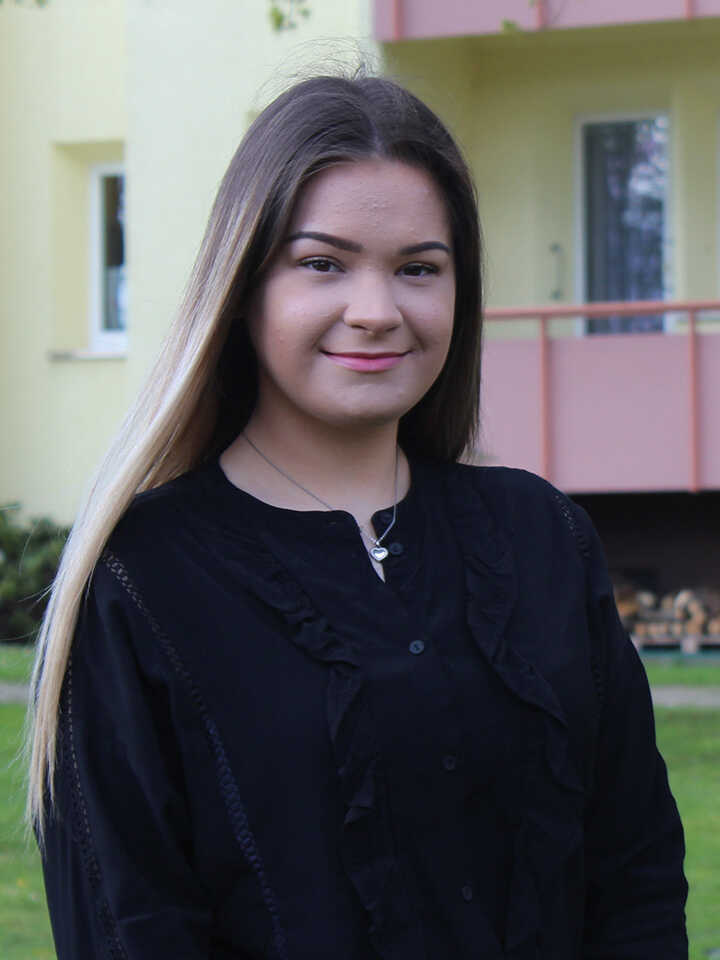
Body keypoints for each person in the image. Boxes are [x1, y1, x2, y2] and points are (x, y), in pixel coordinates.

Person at [28, 72, 688, 959]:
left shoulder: (541, 538)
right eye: (322, 264)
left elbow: (636, 876)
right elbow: (131, 925)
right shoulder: (140, 580)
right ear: (243, 286)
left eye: (418, 268)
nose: (376, 312)